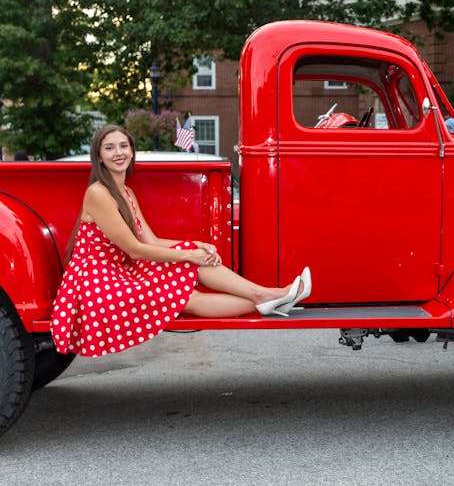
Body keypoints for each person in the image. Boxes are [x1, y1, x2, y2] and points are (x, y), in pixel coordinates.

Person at [51, 125, 311, 357]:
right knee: (183, 296)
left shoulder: (125, 191)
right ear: (99, 156)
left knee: (188, 256)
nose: (118, 153)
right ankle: (269, 297)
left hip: (120, 272)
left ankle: (268, 297)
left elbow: (150, 239)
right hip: (97, 281)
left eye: (123, 146)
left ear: (132, 151)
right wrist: (188, 256)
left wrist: (196, 245)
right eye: (109, 148)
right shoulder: (98, 193)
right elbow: (135, 249)